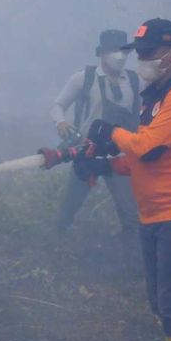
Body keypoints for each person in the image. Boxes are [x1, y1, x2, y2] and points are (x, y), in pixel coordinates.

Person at [76, 18, 171, 341]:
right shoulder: (155, 97)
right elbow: (141, 160)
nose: (142, 60)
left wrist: (110, 130)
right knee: (161, 304)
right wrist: (103, 165)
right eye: (140, 53)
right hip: (154, 215)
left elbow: (148, 147)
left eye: (149, 53)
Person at [50, 29, 141, 270]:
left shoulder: (134, 81)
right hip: (87, 154)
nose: (119, 57)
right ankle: (51, 252)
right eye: (114, 51)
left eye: (124, 51)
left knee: (130, 214)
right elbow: (58, 106)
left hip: (119, 157)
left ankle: (134, 267)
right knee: (69, 206)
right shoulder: (84, 78)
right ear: (101, 53)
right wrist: (61, 122)